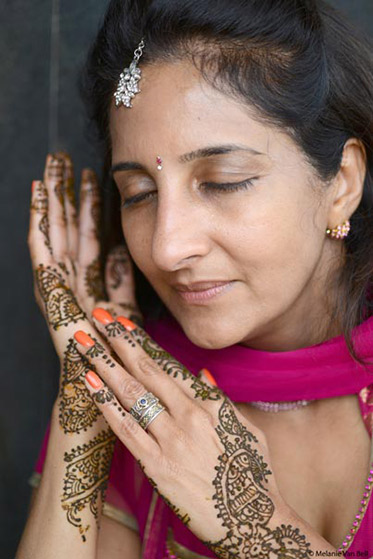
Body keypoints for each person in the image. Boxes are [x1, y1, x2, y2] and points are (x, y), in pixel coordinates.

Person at [16, 0, 373, 557]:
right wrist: (89, 392)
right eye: (139, 194)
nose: (165, 247)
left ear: (342, 183)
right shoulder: (142, 391)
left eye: (224, 181)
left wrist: (251, 525)